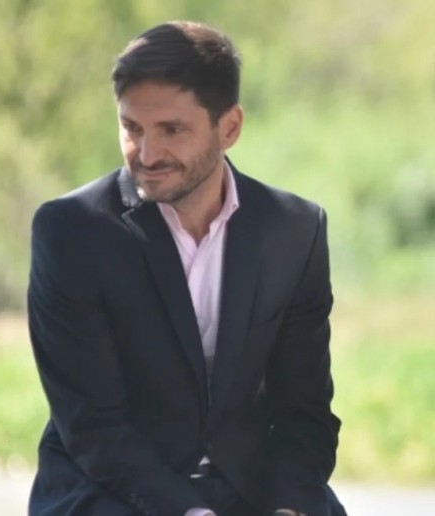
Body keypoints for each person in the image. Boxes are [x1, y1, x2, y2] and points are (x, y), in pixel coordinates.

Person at [27, 21, 346, 516]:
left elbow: (304, 411)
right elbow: (93, 427)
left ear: (230, 128)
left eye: (172, 130)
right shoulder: (72, 231)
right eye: (132, 128)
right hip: (114, 489)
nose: (147, 154)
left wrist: (290, 508)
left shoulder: (294, 230)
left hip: (251, 487)